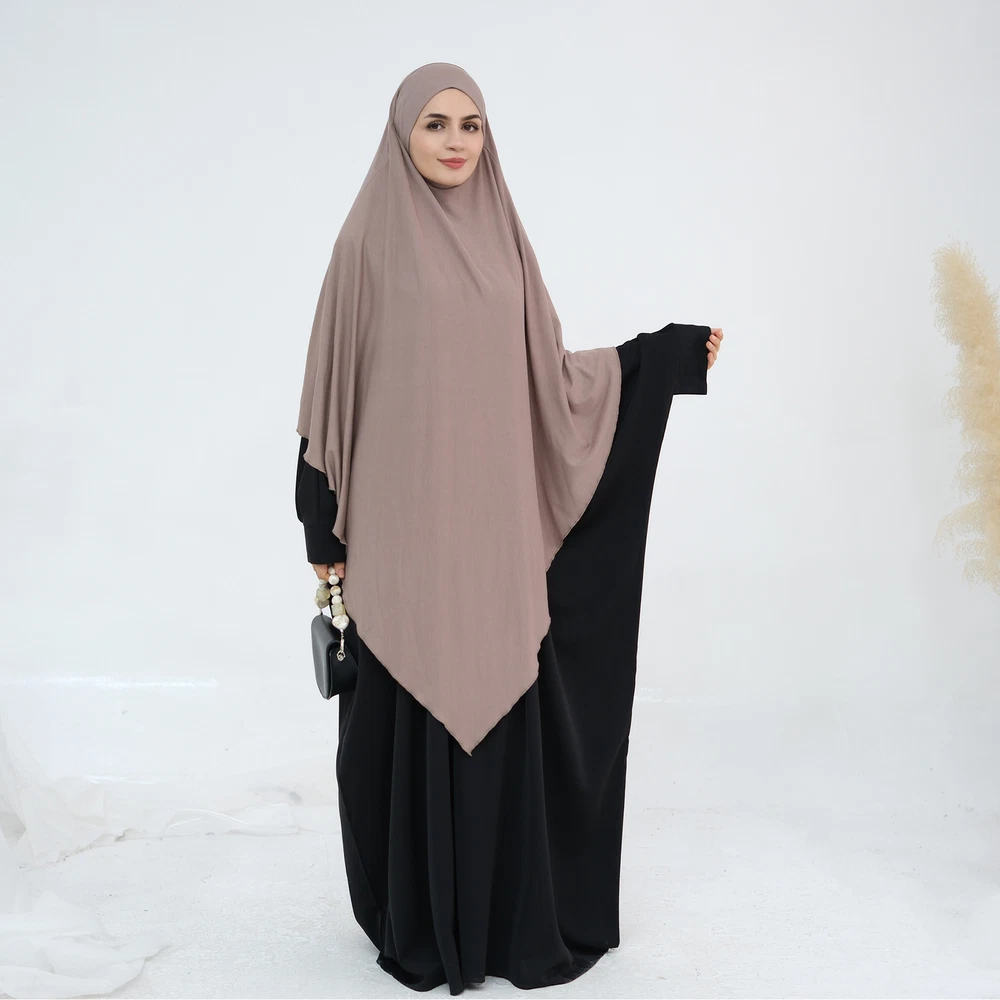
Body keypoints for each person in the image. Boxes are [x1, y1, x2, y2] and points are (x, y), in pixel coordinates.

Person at [294, 62, 723, 996]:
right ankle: (418, 925)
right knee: (400, 717)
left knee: (497, 694)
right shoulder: (367, 245)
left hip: (490, 539)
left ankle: (502, 925)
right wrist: (322, 531)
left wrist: (660, 360)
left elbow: (552, 382)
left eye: (473, 125)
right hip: (400, 541)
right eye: (436, 124)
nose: (456, 142)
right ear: (402, 132)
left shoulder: (507, 245)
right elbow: (327, 398)